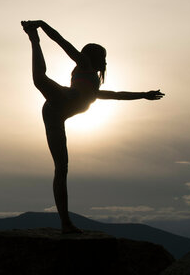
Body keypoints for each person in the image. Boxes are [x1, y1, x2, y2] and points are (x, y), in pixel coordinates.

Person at [21, 20, 164, 233]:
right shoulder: (84, 65)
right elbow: (63, 42)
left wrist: (143, 95)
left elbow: (116, 96)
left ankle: (65, 223)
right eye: (103, 57)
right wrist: (42, 25)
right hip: (62, 100)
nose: (105, 61)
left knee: (62, 169)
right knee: (40, 80)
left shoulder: (93, 85)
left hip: (56, 116)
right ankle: (33, 38)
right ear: (93, 57)